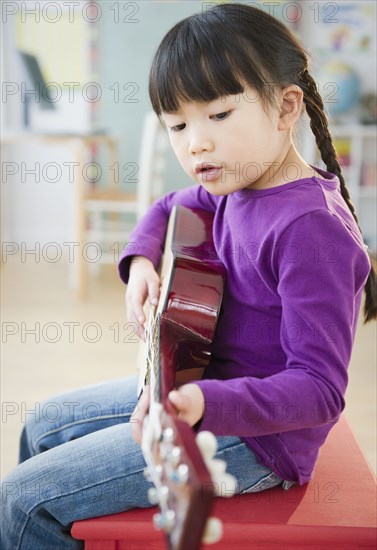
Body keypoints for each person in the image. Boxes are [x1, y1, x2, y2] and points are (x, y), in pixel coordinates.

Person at [1, 4, 376, 549]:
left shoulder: (310, 230)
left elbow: (320, 390)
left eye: (218, 115)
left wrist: (205, 406)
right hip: (200, 387)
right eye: (177, 125)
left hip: (258, 441)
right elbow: (169, 207)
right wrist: (142, 264)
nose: (195, 141)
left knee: (20, 499)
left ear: (286, 107)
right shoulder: (241, 181)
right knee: (42, 422)